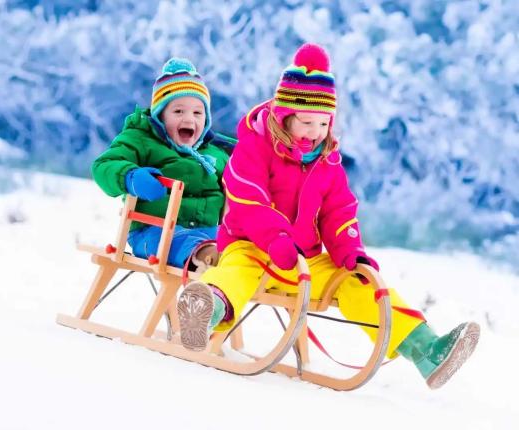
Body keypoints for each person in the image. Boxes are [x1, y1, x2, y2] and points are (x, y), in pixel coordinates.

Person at [177, 43, 480, 389]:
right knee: (235, 273)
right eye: (306, 122)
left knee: (357, 283)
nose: (315, 131)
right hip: (252, 248)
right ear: (283, 116)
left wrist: (349, 250)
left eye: (323, 123)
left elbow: (339, 210)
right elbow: (248, 199)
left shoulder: (327, 162)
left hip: (304, 260)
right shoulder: (254, 149)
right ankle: (204, 312)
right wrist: (275, 237)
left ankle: (427, 350)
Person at [92, 57, 235, 271]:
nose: (189, 120)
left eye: (198, 112)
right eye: (178, 111)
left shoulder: (216, 152)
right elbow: (104, 165)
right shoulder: (141, 139)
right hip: (153, 231)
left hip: (209, 232)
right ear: (160, 115)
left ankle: (232, 273)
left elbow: (248, 175)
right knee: (171, 241)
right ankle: (202, 258)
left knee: (239, 248)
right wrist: (130, 176)